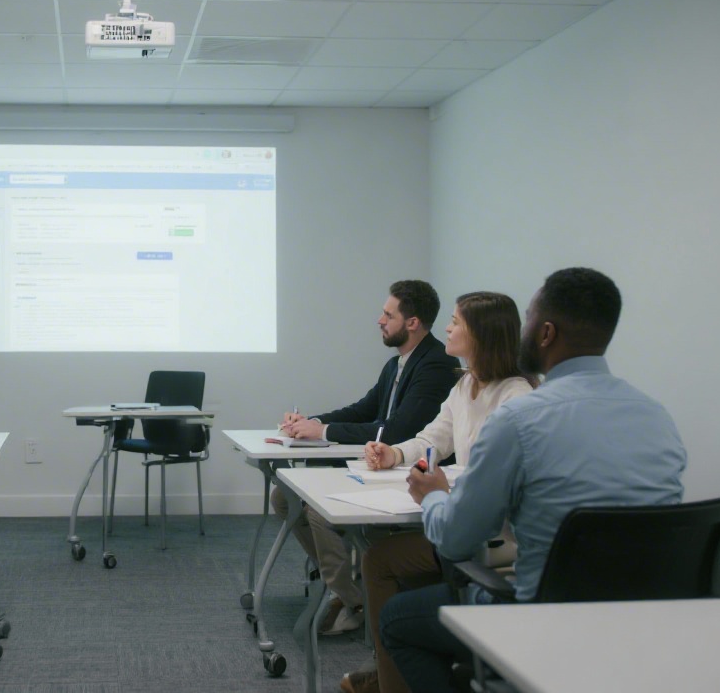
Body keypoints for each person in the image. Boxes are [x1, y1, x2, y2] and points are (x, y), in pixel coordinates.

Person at [380, 268, 687, 693]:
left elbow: (455, 541)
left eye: (526, 318)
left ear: (545, 333)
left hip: (542, 621)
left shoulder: (520, 417)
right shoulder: (657, 416)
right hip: (640, 624)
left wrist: (433, 497)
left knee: (396, 619)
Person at [340, 292, 535, 693]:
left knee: (381, 560)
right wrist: (393, 452)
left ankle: (390, 681)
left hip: (497, 543)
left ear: (482, 333)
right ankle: (392, 673)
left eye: (456, 321)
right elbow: (434, 440)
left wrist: (439, 488)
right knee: (383, 556)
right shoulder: (465, 385)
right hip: (464, 523)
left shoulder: (516, 397)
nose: (447, 328)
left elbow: (486, 482)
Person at [273, 280, 459, 635]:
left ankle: (352, 599)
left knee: (315, 507)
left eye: (388, 315)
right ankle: (351, 591)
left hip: (409, 474)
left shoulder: (436, 364)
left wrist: (322, 433)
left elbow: (396, 431)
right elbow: (364, 410)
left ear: (412, 322)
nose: (379, 320)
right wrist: (313, 422)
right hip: (382, 465)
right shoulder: (397, 364)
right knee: (284, 497)